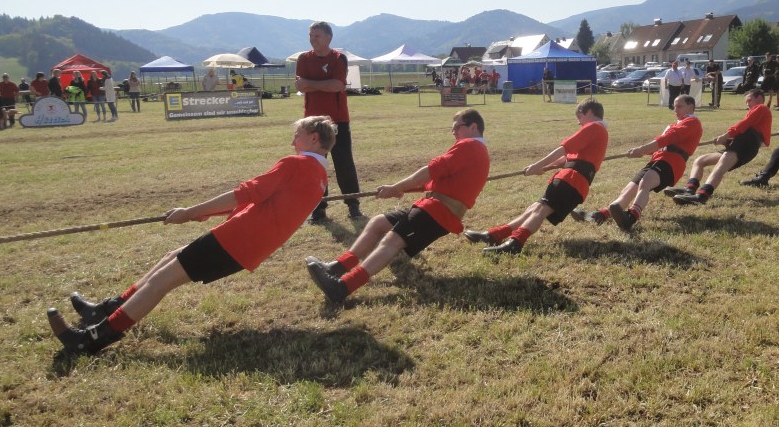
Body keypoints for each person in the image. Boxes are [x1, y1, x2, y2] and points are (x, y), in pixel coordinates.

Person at [48, 116, 337, 355]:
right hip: (248, 247)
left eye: (297, 135)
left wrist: (190, 211)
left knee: (160, 282)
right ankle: (107, 309)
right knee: (171, 258)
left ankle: (93, 339)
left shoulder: (296, 164)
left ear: (313, 138)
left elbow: (245, 193)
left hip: (234, 240)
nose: (292, 142)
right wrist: (209, 213)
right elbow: (267, 205)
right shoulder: (320, 177)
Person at [304, 109, 490, 305]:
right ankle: (336, 267)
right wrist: (399, 189)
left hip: (439, 212)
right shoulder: (475, 150)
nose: (453, 132)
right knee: (378, 223)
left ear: (473, 127)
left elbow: (429, 171)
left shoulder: (469, 146)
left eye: (457, 127)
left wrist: (396, 187)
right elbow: (435, 181)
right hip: (433, 208)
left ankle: (342, 287)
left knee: (392, 241)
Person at [464, 97, 608, 254]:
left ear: (589, 112)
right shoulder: (599, 131)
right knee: (535, 208)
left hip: (572, 180)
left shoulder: (594, 127)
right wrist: (544, 167)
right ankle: (495, 235)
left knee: (541, 210)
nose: (578, 122)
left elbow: (564, 149)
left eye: (580, 117)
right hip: (573, 180)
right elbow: (568, 159)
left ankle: (515, 243)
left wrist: (537, 165)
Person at [572, 95, 702, 231]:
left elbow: (666, 139)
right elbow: (661, 146)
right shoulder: (677, 123)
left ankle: (631, 217)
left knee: (645, 182)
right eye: (674, 106)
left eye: (679, 106)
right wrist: (641, 152)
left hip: (672, 164)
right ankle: (599, 215)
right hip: (658, 160)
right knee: (629, 190)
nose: (675, 110)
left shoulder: (692, 122)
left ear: (691, 106)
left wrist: (641, 149)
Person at [295, 21, 364, 221]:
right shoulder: (303, 59)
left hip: (338, 120)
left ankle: (353, 205)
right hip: (312, 122)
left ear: (328, 38)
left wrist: (310, 84)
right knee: (314, 165)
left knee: (344, 163)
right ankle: (318, 209)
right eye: (311, 35)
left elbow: (336, 86)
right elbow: (300, 86)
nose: (312, 39)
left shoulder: (338, 58)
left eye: (316, 35)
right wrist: (321, 85)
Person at [668, 88, 772, 205]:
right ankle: (689, 189)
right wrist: (727, 141)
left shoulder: (761, 108)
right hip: (741, 144)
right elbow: (751, 136)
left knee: (720, 167)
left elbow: (743, 125)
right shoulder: (758, 115)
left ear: (759, 98)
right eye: (746, 102)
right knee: (700, 161)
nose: (748, 104)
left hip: (746, 144)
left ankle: (702, 196)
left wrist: (726, 135)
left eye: (749, 100)